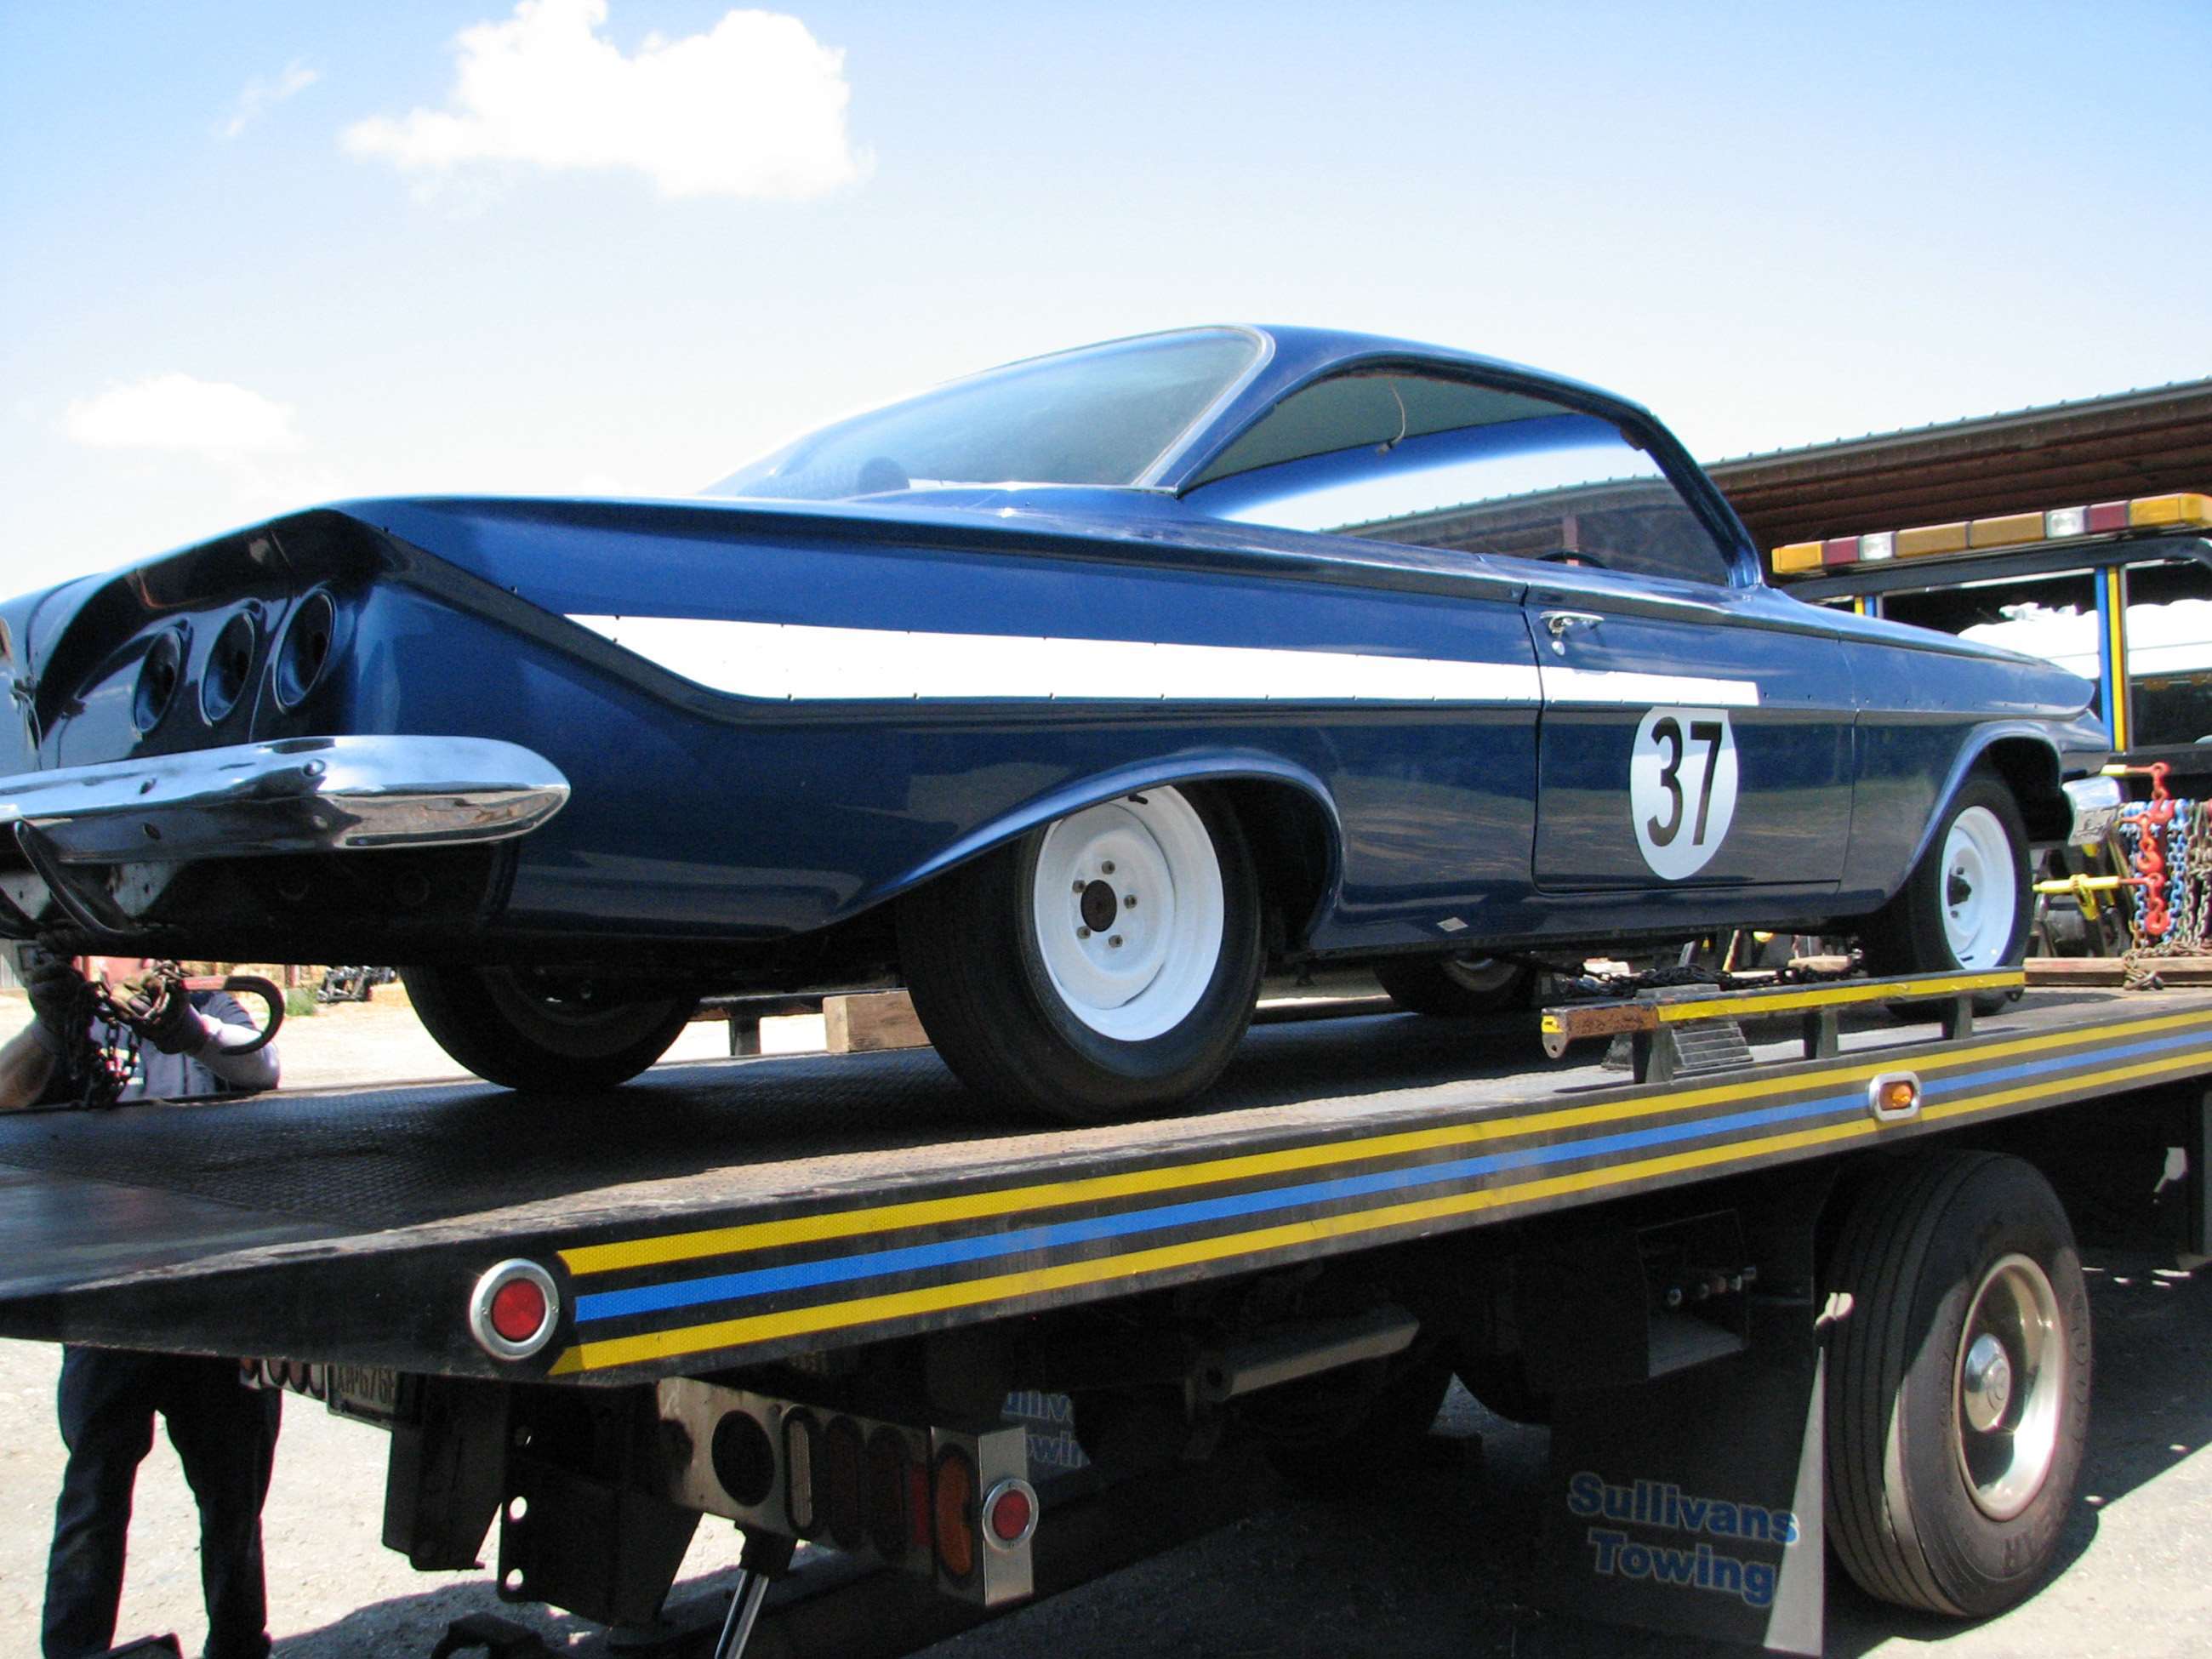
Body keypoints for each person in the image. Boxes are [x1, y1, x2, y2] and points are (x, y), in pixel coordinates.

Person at [1, 945, 283, 1659]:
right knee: (94, 1492)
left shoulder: (206, 1009)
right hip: (109, 1304)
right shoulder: (73, 1030)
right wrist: (47, 1028)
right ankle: (74, 1649)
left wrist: (190, 1029)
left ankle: (240, 1644)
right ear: (90, 958)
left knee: (233, 1497)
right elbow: (4, 1094)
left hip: (210, 1298)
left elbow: (263, 1066)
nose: (147, 958)